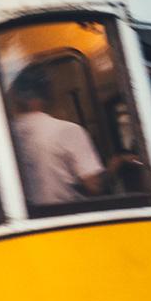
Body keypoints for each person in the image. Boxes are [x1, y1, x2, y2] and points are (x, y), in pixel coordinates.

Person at [8, 64, 134, 208]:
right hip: (70, 217)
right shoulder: (66, 130)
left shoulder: (5, 137)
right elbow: (94, 186)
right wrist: (117, 163)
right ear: (48, 96)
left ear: (15, 97)